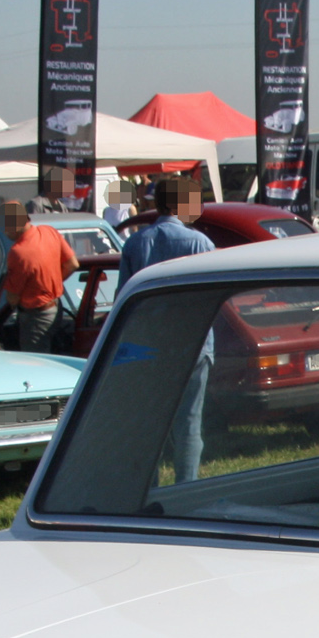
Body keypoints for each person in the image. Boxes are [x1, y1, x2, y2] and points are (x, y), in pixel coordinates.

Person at [118, 173, 217, 482]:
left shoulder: (135, 243)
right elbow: (212, 296)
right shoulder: (199, 242)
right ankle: (185, 488)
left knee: (151, 425)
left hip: (147, 346)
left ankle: (149, 488)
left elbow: (125, 299)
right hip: (192, 344)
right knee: (188, 425)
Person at [0, 200, 78, 354]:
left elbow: (13, 298)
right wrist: (51, 282)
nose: (5, 231)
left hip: (36, 316)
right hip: (57, 308)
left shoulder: (18, 252)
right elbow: (72, 264)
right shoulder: (49, 232)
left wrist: (40, 286)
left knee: (36, 363)